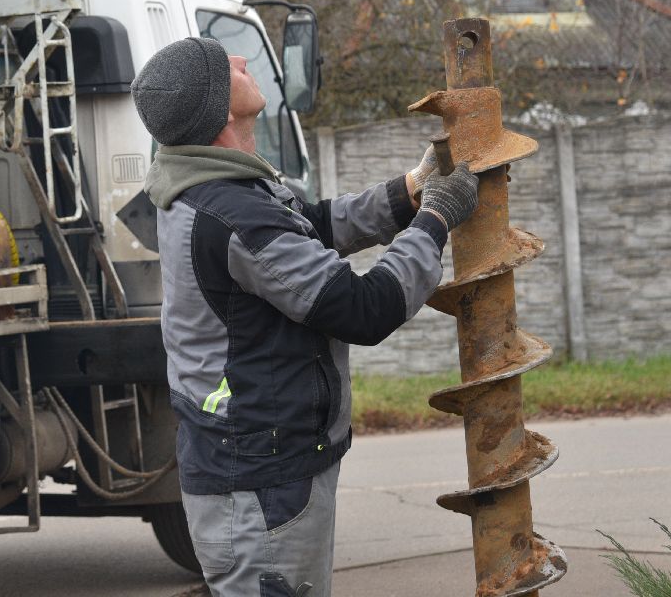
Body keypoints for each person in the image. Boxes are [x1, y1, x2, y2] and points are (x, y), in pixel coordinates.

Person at [131, 35, 478, 597]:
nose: (242, 60)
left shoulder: (212, 187)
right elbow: (364, 310)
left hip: (262, 473)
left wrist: (409, 192)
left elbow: (309, 225)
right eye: (228, 64)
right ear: (217, 105)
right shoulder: (233, 213)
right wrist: (436, 221)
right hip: (261, 491)